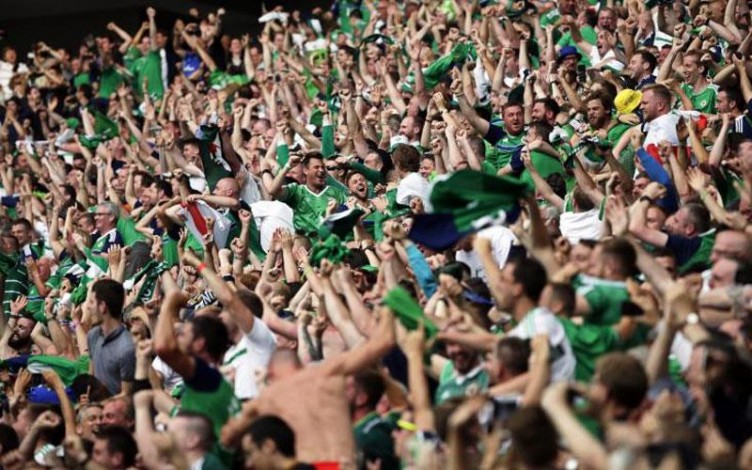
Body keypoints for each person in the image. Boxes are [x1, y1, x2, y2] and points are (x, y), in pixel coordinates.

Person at [86, 279, 135, 395]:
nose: (88, 307)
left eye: (91, 302)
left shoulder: (127, 349)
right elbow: (91, 377)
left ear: (102, 306)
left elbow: (127, 396)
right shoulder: (93, 335)